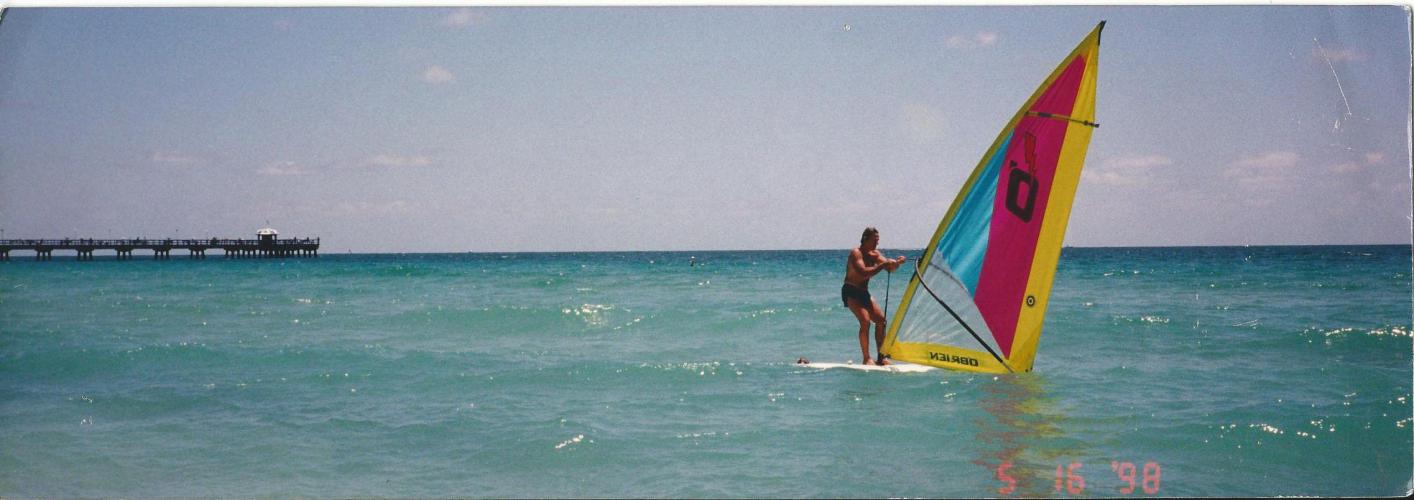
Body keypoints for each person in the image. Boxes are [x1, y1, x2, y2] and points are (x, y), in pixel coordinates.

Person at [842, 227, 906, 365]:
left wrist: (897, 263)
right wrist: (883, 265)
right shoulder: (856, 253)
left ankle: (881, 357)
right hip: (850, 290)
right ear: (865, 239)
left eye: (878, 240)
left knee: (881, 321)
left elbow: (889, 268)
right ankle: (866, 358)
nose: (877, 243)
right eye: (874, 240)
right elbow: (863, 272)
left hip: (864, 292)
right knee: (865, 321)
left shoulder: (875, 254)